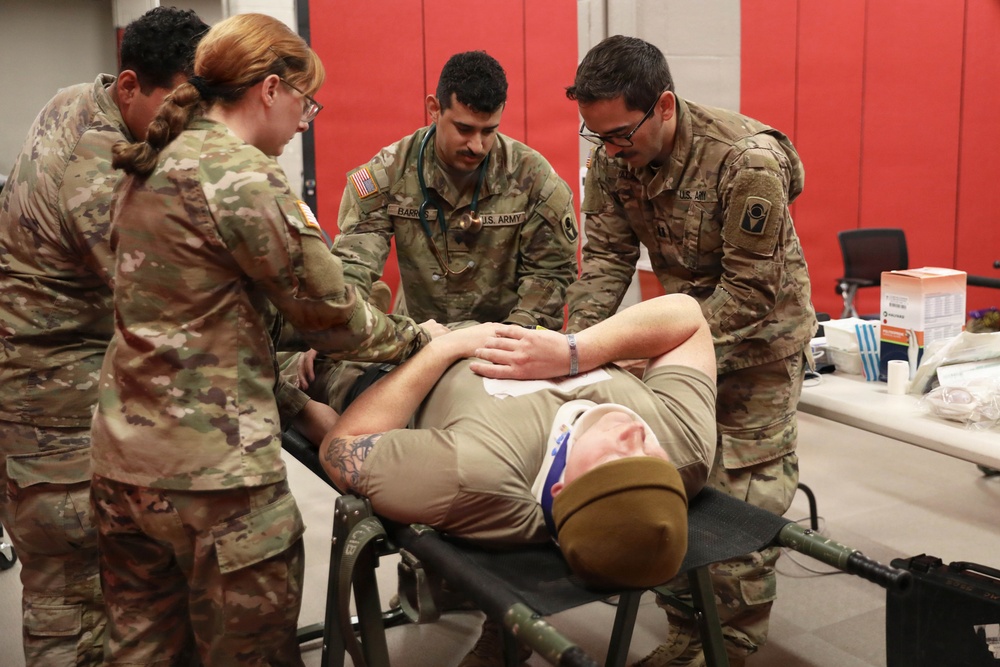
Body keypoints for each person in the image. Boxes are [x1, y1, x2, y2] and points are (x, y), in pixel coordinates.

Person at [88, 14, 434, 666]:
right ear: (269, 89)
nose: (308, 117)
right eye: (307, 100)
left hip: (122, 467)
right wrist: (423, 340)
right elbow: (330, 313)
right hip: (216, 482)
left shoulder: (152, 159)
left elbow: (195, 309)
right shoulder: (244, 179)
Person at [563, 35, 818, 666]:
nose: (612, 151)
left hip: (757, 344)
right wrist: (583, 349)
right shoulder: (615, 157)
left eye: (621, 134)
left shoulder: (744, 160)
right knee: (673, 476)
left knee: (742, 493)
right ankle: (686, 628)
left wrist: (655, 351)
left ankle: (730, 641)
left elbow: (749, 293)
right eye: (598, 138)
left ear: (666, 106)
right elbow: (606, 261)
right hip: (683, 336)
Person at [319, 293, 717, 667]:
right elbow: (686, 316)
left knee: (304, 341)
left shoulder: (474, 475)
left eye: (619, 461)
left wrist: (439, 348)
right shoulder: (686, 448)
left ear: (562, 492)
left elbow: (341, 447)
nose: (635, 434)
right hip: (489, 328)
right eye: (654, 458)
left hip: (389, 364)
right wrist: (574, 351)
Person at [0, 8, 209, 665]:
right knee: (73, 607)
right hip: (55, 424)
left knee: (76, 598)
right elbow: (157, 296)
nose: (186, 128)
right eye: (176, 107)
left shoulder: (78, 100)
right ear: (129, 86)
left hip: (38, 398)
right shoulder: (98, 167)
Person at [296, 50, 579, 405]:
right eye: (464, 128)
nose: (477, 145)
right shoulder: (387, 176)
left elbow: (550, 277)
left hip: (504, 343)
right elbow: (352, 268)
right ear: (434, 108)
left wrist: (504, 344)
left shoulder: (533, 179)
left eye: (489, 131)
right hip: (416, 341)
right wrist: (331, 329)